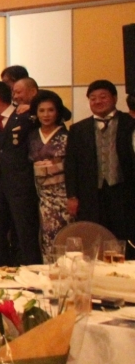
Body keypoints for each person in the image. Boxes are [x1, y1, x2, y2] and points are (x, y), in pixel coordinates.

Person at [64, 79, 135, 255]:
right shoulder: (78, 129)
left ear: (114, 98)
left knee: (125, 236)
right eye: (93, 98)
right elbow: (71, 164)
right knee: (94, 237)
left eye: (103, 97)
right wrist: (72, 195)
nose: (97, 101)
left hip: (124, 191)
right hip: (91, 193)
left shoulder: (130, 123)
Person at [0, 80, 40, 267]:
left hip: (19, 183)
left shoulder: (25, 116)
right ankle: (1, 269)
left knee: (23, 231)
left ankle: (28, 268)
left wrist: (33, 106)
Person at [27, 91, 70, 255]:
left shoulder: (66, 136)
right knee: (44, 235)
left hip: (62, 194)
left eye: (51, 110)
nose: (46, 115)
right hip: (40, 195)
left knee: (63, 235)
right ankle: (49, 267)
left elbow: (73, 166)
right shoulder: (32, 136)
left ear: (57, 112)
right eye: (42, 110)